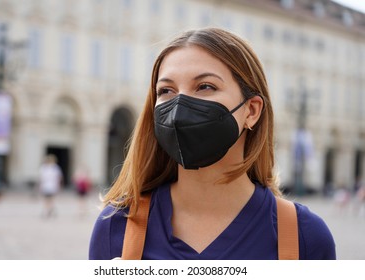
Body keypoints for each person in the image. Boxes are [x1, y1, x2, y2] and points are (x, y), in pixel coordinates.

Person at [89, 27, 336, 259]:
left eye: (205, 86)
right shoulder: (116, 227)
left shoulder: (305, 237)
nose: (178, 109)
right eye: (166, 91)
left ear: (251, 110)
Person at [38, 154, 63, 218]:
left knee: (48, 199)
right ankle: (49, 210)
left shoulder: (48, 168)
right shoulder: (54, 168)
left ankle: (48, 210)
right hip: (50, 186)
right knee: (49, 199)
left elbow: (41, 178)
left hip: (50, 185)